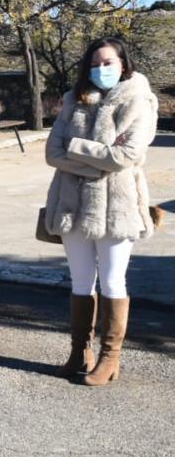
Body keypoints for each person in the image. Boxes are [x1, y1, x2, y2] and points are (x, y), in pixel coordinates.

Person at [44, 36, 158, 386]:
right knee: (80, 281)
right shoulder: (73, 99)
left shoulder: (140, 100)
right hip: (72, 205)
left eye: (108, 62)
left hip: (118, 207)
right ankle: (80, 352)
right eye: (95, 63)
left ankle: (110, 357)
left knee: (112, 281)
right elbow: (52, 153)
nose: (101, 69)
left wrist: (74, 150)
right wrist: (98, 157)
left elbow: (129, 156)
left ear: (123, 63)